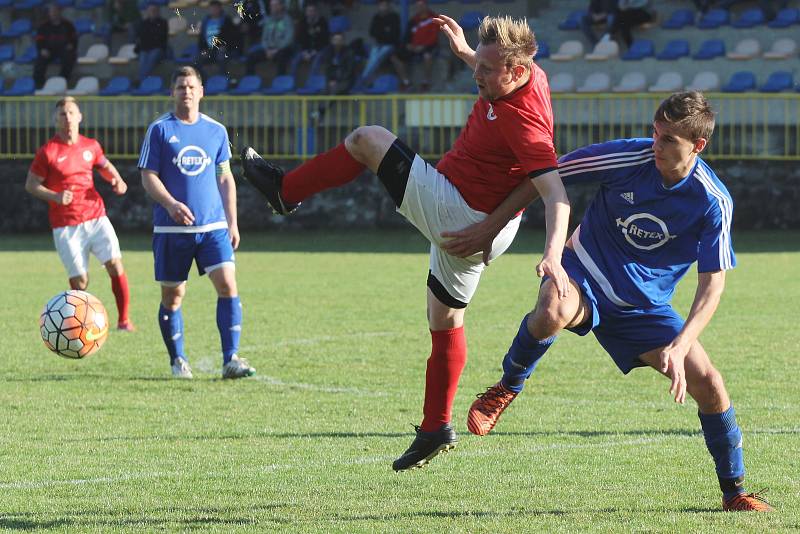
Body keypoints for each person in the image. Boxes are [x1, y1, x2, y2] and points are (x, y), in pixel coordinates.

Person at [241, 15, 570, 470]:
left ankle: (285, 192)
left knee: (367, 140)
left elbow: (555, 192)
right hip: (480, 223)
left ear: (515, 73)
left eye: (486, 69)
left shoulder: (522, 120)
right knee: (445, 318)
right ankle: (435, 427)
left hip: (461, 213)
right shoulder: (526, 74)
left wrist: (551, 253)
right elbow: (531, 175)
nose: (477, 74)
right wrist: (467, 54)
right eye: (479, 63)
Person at [466, 92, 773, 512]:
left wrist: (682, 343)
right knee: (554, 309)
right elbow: (547, 174)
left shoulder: (712, 201)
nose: (656, 146)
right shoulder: (627, 158)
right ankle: (507, 387)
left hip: (642, 311)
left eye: (669, 141)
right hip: (584, 274)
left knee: (711, 384)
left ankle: (734, 491)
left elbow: (712, 284)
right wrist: (491, 225)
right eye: (655, 133)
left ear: (698, 146)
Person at [138, 66, 255, 380]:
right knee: (173, 297)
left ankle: (231, 358)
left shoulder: (216, 131)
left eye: (191, 87)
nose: (186, 92)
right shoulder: (160, 130)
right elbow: (148, 175)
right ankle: (178, 360)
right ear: (172, 93)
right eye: (180, 87)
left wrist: (232, 221)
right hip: (171, 229)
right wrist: (171, 204)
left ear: (201, 92)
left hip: (212, 227)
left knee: (228, 285)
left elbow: (224, 176)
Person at [25, 97, 134, 332]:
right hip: (66, 224)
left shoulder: (90, 145)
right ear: (56, 119)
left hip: (96, 216)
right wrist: (55, 196)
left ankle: (124, 321)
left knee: (115, 264)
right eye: (63, 114)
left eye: (72, 113)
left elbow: (104, 166)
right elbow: (31, 185)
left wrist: (117, 180)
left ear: (80, 116)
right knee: (80, 281)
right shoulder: (48, 152)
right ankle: (78, 326)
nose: (68, 118)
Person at [392, 0, 440, 91]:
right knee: (395, 57)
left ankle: (426, 82)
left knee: (427, 56)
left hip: (428, 47)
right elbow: (407, 37)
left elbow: (434, 37)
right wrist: (408, 45)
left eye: (422, 5)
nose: (420, 8)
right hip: (413, 47)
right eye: (418, 6)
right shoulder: (414, 20)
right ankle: (406, 83)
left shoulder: (434, 18)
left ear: (426, 5)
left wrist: (423, 46)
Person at [355, 0, 401, 89]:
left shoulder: (394, 17)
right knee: (373, 55)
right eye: (381, 5)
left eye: (385, 5)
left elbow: (394, 34)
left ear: (389, 6)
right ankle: (365, 78)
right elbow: (372, 32)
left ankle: (364, 78)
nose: (383, 7)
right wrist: (385, 31)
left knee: (379, 55)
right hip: (379, 44)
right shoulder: (376, 17)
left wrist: (382, 33)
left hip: (391, 45)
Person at [244, 0, 295, 76]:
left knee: (282, 56)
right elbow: (264, 38)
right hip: (268, 49)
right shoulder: (269, 20)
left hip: (282, 49)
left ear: (281, 6)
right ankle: (250, 80)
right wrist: (267, 49)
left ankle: (280, 81)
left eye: (275, 5)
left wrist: (276, 49)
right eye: (271, 5)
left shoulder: (287, 20)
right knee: (251, 57)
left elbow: (289, 39)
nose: (272, 7)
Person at [33, 4, 78, 89]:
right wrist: (42, 49)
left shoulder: (68, 25)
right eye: (52, 12)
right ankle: (40, 85)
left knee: (70, 56)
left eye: (55, 12)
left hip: (64, 49)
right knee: (40, 60)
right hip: (49, 50)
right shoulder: (44, 26)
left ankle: (62, 80)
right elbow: (39, 40)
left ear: (60, 12)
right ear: (49, 14)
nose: (54, 14)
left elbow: (74, 39)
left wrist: (71, 45)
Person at [197, 0, 241, 77]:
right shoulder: (205, 22)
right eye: (212, 8)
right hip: (208, 49)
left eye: (216, 8)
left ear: (220, 9)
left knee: (221, 56)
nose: (214, 10)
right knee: (197, 60)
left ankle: (222, 78)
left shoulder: (226, 21)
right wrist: (203, 49)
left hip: (222, 49)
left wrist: (225, 46)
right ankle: (202, 81)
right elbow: (201, 38)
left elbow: (232, 37)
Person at [289, 3, 329, 77]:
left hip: (319, 49)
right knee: (294, 61)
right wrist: (304, 52)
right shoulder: (303, 22)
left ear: (316, 12)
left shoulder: (322, 22)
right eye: (308, 11)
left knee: (316, 60)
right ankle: (291, 82)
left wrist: (314, 52)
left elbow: (325, 40)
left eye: (312, 11)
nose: (310, 13)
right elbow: (300, 39)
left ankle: (311, 82)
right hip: (305, 49)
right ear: (306, 12)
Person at [135, 2, 169, 82]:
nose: (152, 12)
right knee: (142, 58)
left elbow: (161, 38)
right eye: (151, 11)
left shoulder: (163, 23)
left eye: (154, 11)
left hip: (158, 48)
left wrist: (150, 37)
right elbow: (142, 37)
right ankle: (142, 79)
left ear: (158, 11)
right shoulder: (144, 23)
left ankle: (140, 80)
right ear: (148, 12)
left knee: (152, 57)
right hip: (146, 48)